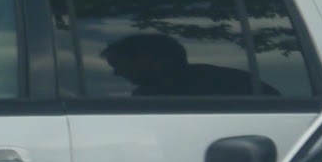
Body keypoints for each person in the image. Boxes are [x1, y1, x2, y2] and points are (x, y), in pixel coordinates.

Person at [101, 32, 273, 96]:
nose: (117, 73)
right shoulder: (235, 79)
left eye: (119, 64)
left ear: (149, 58)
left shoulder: (227, 85)